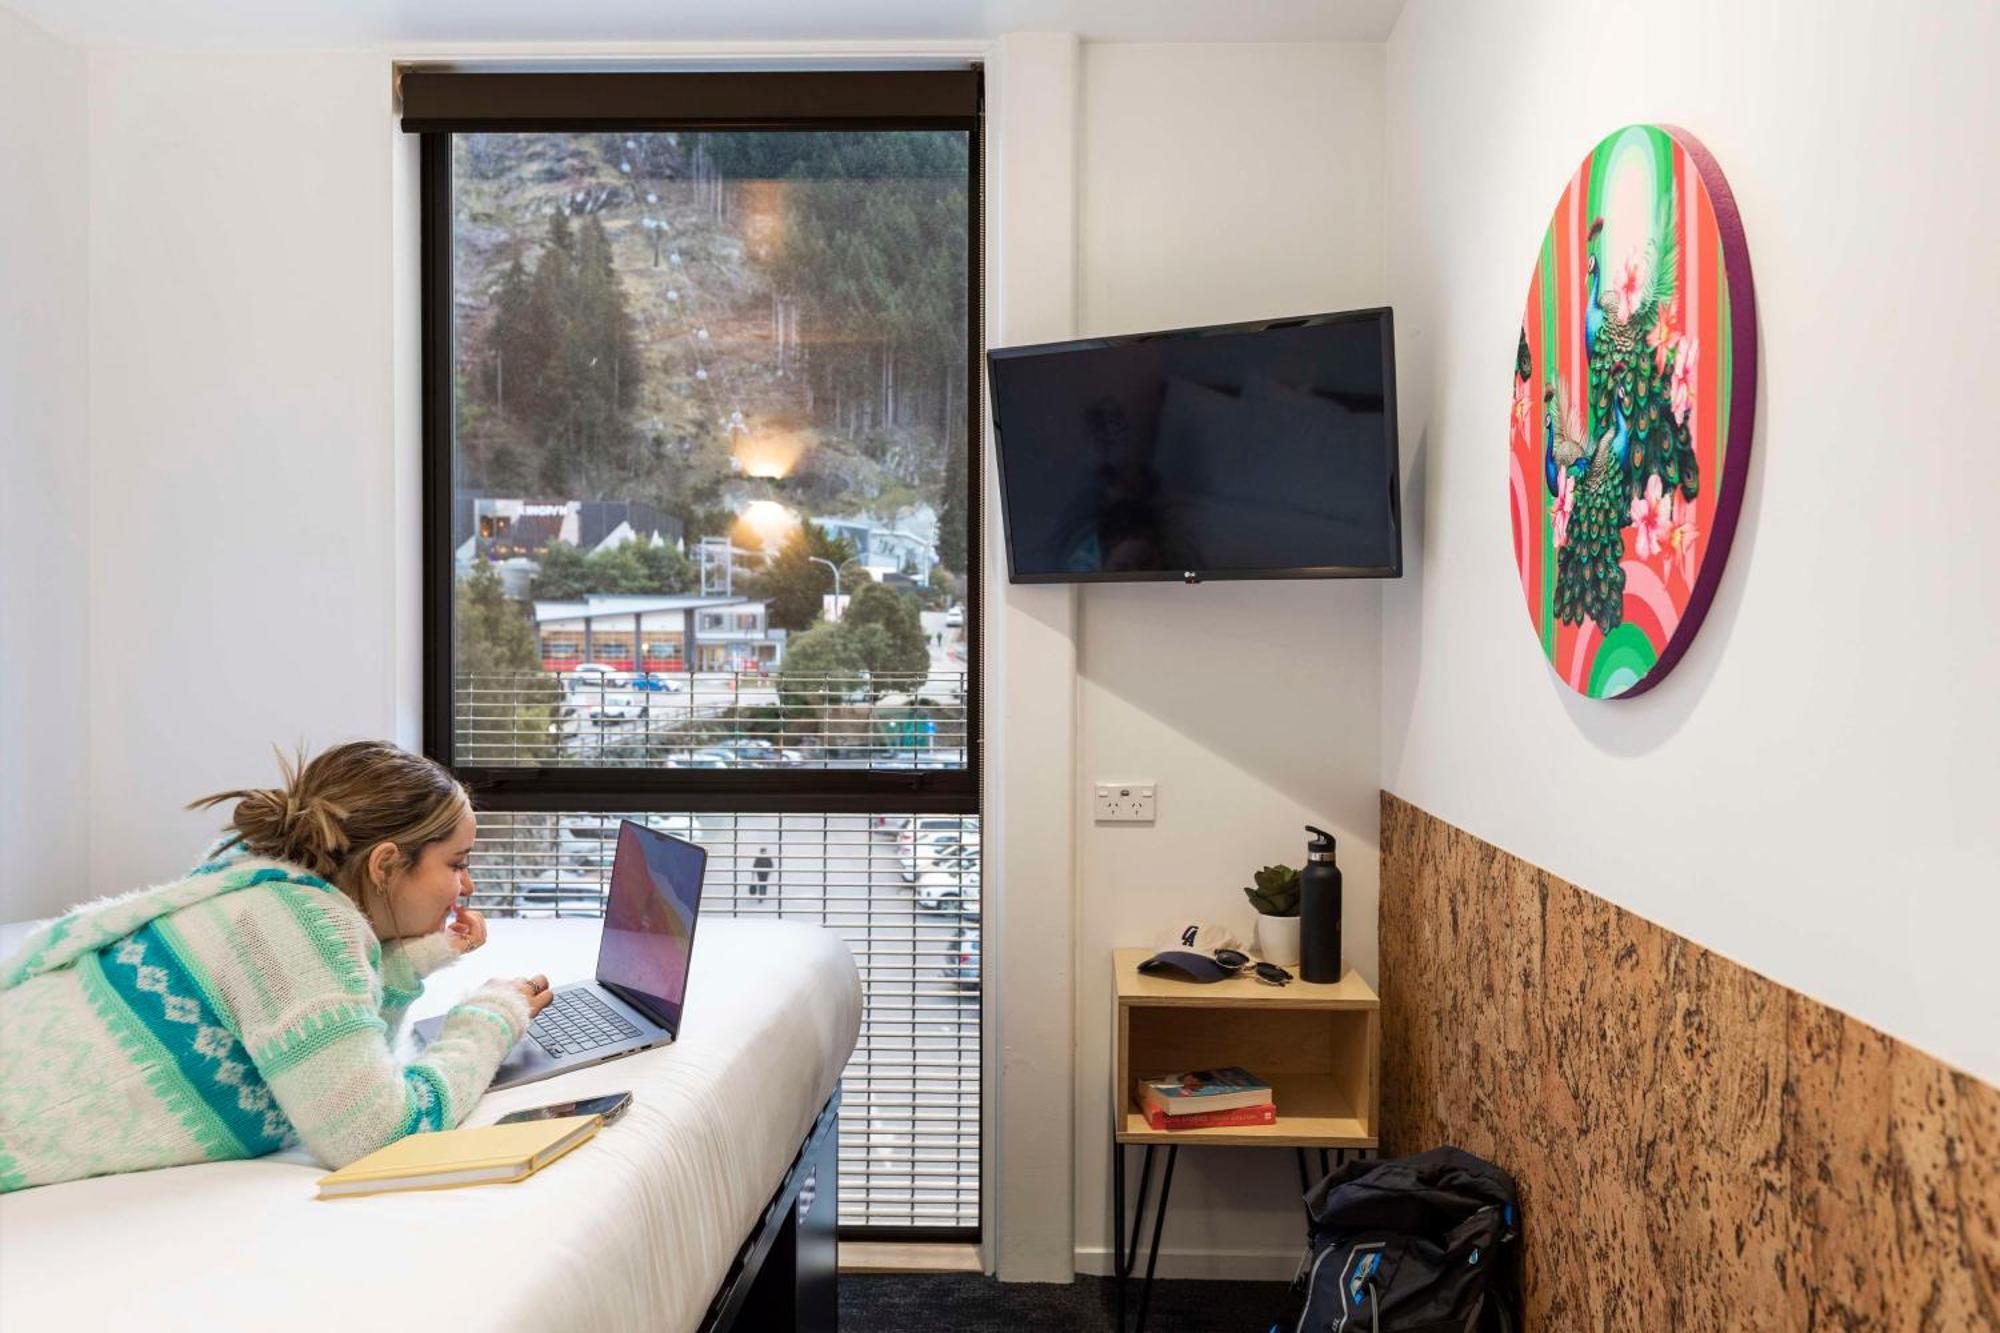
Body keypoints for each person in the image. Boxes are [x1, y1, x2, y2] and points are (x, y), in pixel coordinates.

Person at [0, 741, 554, 1192]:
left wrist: (409, 964)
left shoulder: (266, 889)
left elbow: (343, 1052)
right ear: (386, 863)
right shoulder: (296, 928)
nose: (468, 886)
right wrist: (488, 1021)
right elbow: (378, 1132)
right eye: (456, 864)